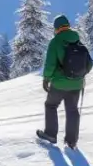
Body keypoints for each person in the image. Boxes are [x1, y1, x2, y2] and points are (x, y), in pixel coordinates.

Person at [36, 15, 85, 150]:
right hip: (77, 84)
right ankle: (71, 141)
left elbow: (50, 64)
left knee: (50, 105)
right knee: (72, 110)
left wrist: (46, 78)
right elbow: (89, 63)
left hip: (59, 84)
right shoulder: (77, 40)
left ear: (56, 28)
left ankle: (51, 134)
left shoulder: (55, 42)